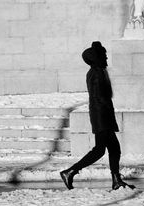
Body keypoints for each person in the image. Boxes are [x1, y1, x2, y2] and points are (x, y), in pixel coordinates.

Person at [60, 41, 135, 190]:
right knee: (100, 149)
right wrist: (106, 115)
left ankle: (116, 180)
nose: (107, 58)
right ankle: (70, 171)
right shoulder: (96, 73)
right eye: (104, 56)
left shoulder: (97, 71)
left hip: (102, 116)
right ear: (98, 58)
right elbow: (99, 97)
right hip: (102, 117)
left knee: (113, 148)